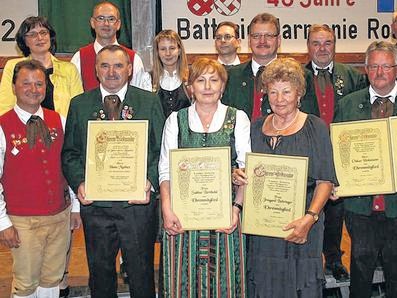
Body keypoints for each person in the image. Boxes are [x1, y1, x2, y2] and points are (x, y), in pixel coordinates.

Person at [62, 45, 165, 298]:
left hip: (137, 207)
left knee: (141, 273)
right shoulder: (80, 104)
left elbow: (160, 148)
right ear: (96, 70)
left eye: (118, 65)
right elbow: (70, 153)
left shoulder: (149, 101)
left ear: (129, 69)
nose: (111, 72)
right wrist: (80, 183)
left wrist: (149, 182)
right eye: (105, 65)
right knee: (99, 274)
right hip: (97, 206)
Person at [333, 41, 397, 298]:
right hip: (359, 205)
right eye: (374, 66)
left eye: (386, 66)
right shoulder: (347, 105)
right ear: (366, 69)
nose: (380, 72)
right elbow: (337, 152)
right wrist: (335, 182)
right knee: (360, 267)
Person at [234, 57, 337, 297]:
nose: (279, 99)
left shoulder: (316, 127)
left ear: (299, 93)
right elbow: (246, 170)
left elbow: (325, 181)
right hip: (263, 232)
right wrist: (236, 174)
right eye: (273, 92)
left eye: (286, 92)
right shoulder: (255, 128)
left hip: (302, 227)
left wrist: (309, 219)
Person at [0, 16, 83, 297]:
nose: (33, 89)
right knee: (25, 282)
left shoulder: (58, 120)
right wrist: (3, 222)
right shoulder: (3, 126)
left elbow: (68, 164)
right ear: (14, 87)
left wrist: (74, 209)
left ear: (46, 88)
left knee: (52, 278)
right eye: (26, 84)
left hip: (58, 215)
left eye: (39, 84)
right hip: (22, 219)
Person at [158, 58, 249, 297]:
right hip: (183, 213)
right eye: (200, 80)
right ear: (190, 87)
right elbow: (166, 170)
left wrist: (236, 209)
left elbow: (245, 169)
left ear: (222, 86)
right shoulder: (175, 121)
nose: (207, 86)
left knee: (224, 280)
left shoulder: (238, 118)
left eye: (214, 80)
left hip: (225, 213)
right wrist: (167, 209)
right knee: (183, 279)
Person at [305, 23, 366, 282]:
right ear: (308, 46)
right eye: (316, 43)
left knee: (337, 210)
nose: (322, 48)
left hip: (342, 156)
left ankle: (333, 259)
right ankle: (308, 260)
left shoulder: (352, 76)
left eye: (327, 43)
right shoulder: (297, 75)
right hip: (308, 154)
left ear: (335, 45)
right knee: (310, 208)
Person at [221, 13, 318, 121]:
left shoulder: (302, 75)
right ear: (249, 40)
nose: (262, 41)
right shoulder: (231, 76)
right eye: (256, 36)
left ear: (279, 40)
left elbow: (310, 121)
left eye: (269, 36)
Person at [0, 16, 83, 117]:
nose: (40, 38)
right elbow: (5, 107)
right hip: (23, 129)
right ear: (24, 41)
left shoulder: (69, 69)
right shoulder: (13, 66)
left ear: (50, 37)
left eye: (43, 32)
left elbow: (78, 108)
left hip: (61, 129)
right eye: (33, 34)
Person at [70, 1, 151, 92]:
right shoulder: (79, 58)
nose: (106, 23)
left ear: (118, 24)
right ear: (92, 23)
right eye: (101, 18)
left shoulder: (134, 59)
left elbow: (141, 97)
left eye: (111, 19)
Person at [151, 30, 191, 117]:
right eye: (163, 49)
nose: (168, 53)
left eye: (172, 48)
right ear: (157, 52)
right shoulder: (148, 80)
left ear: (179, 50)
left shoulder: (192, 77)